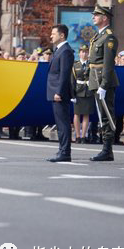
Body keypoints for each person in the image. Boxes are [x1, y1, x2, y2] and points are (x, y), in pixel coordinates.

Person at [88, 5, 119, 162]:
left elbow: (108, 64)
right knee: (101, 115)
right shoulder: (97, 36)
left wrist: (104, 85)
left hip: (103, 80)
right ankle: (105, 148)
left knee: (106, 115)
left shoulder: (109, 37)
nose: (94, 17)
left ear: (105, 18)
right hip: (95, 79)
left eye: (97, 15)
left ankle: (107, 150)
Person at [46, 25, 75, 162]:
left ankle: (65, 152)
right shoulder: (58, 50)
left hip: (59, 93)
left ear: (62, 35)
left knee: (63, 123)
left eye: (53, 34)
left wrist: (59, 92)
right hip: (55, 91)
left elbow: (64, 74)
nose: (51, 36)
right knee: (60, 123)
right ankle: (62, 150)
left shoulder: (65, 51)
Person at [71, 44, 94, 144]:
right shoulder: (75, 65)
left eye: (86, 52)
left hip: (88, 91)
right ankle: (77, 136)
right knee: (76, 114)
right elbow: (72, 81)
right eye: (82, 52)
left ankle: (84, 136)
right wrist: (72, 95)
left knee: (86, 115)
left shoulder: (91, 65)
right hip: (78, 92)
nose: (84, 54)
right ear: (79, 53)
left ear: (88, 53)